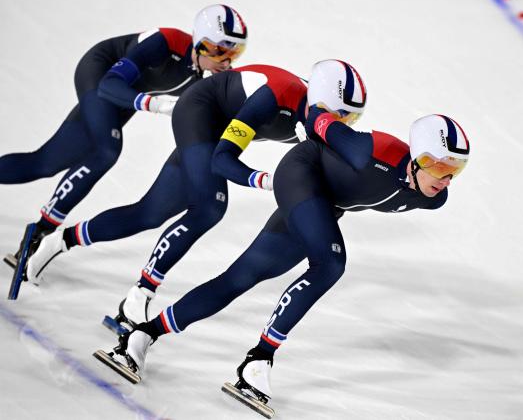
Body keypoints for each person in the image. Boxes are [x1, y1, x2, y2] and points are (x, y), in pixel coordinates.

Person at [95, 103, 470, 415]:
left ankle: (143, 335)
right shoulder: (371, 150)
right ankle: (260, 357)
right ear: (416, 159)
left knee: (240, 278)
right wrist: (314, 123)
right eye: (438, 166)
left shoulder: (433, 196)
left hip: (324, 203)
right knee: (331, 263)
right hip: (301, 173)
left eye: (455, 170)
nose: (445, 179)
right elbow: (319, 116)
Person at [27, 60, 367, 336]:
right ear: (317, 103)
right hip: (198, 113)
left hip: (212, 132)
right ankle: (141, 293)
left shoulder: (316, 121)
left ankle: (61, 240)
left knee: (148, 213)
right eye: (340, 115)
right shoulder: (275, 96)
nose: (341, 124)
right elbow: (222, 158)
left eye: (352, 118)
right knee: (210, 207)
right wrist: (259, 179)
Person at [0, 4, 248, 276]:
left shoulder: (203, 79)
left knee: (45, 163)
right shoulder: (166, 42)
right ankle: (41, 231)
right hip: (102, 76)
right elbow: (109, 84)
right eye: (221, 51)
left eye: (234, 53)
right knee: (106, 149)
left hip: (126, 97)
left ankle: (42, 230)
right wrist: (152, 104)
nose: (227, 61)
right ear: (201, 44)